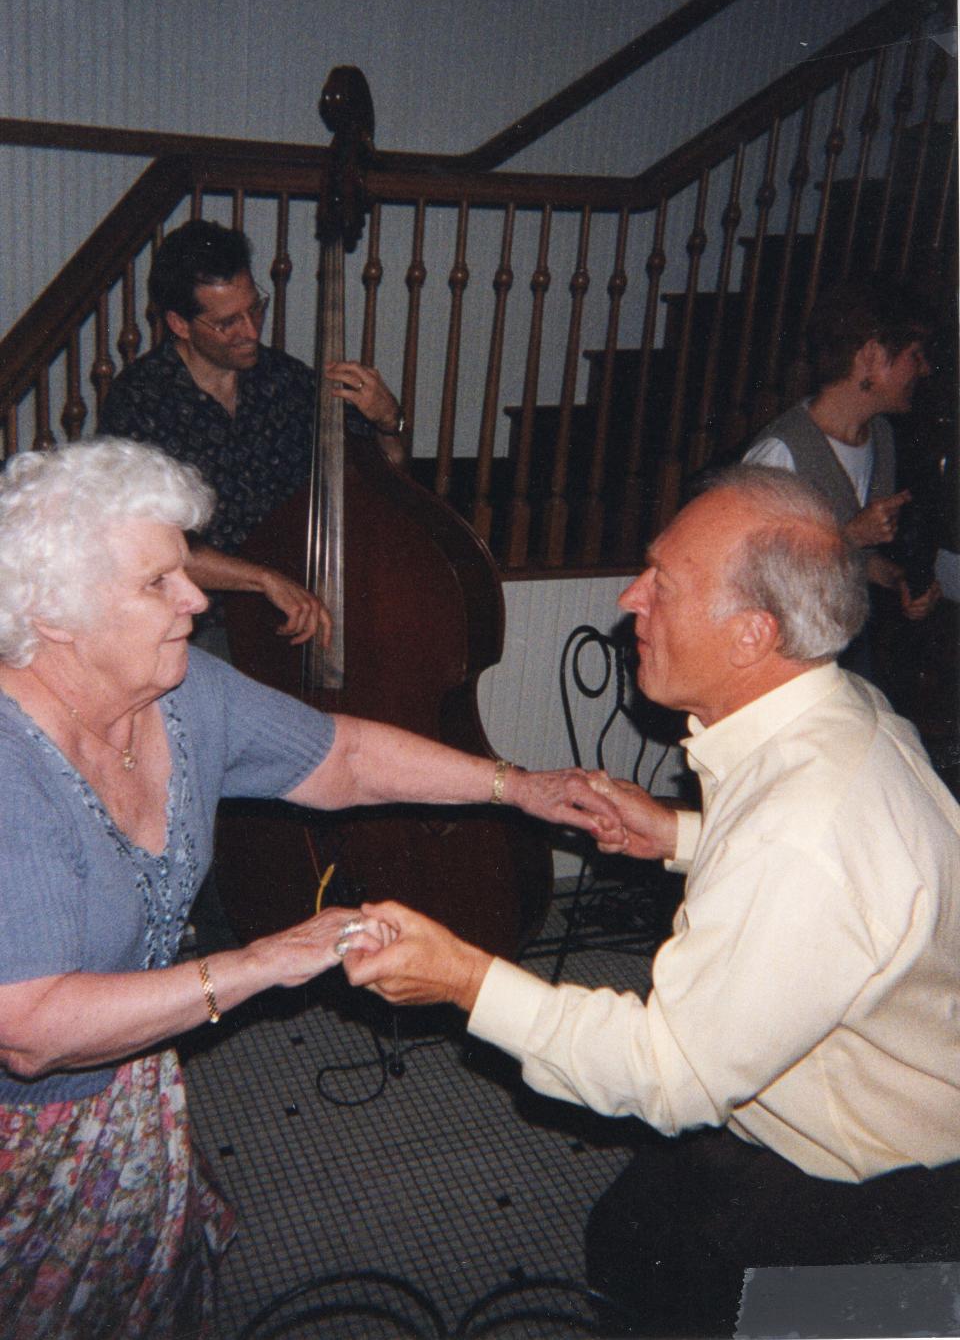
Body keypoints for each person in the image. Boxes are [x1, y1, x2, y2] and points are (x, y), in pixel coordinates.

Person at [0, 437, 615, 1339]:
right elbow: (30, 1031)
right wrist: (258, 964)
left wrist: (515, 785)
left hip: (122, 1088)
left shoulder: (177, 695)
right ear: (55, 616)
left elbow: (348, 757)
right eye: (158, 583)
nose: (197, 598)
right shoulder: (12, 769)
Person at [345, 465, 960, 1337]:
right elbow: (845, 888)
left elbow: (670, 1075)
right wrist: (676, 834)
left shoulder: (804, 831)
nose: (631, 597)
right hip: (813, 1095)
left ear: (752, 635)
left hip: (868, 1185)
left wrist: (467, 980)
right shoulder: (840, 707)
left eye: (663, 584)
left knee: (673, 1295)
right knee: (629, 1237)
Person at [98, 217, 405, 656]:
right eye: (228, 322)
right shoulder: (139, 400)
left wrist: (387, 421)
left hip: (296, 605)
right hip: (199, 617)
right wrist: (262, 580)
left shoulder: (287, 381)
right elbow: (148, 542)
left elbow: (386, 480)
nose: (252, 331)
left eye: (255, 308)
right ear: (180, 324)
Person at [743, 275, 941, 678]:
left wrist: (898, 579)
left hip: (844, 650)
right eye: (914, 355)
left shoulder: (880, 436)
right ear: (870, 355)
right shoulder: (780, 453)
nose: (925, 369)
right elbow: (752, 577)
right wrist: (850, 536)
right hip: (782, 661)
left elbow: (855, 562)